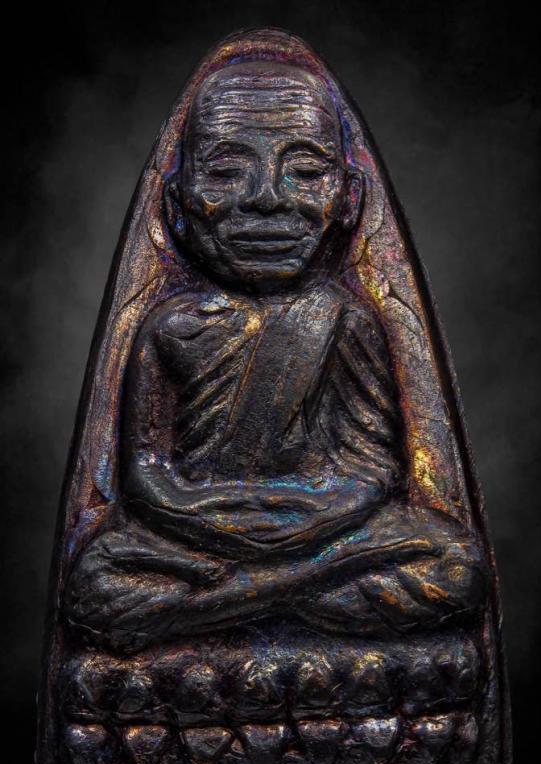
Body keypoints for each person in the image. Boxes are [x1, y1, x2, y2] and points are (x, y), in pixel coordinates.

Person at [64, 61, 486, 653]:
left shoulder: (347, 319)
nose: (266, 199)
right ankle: (279, 594)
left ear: (349, 197)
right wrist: (205, 512)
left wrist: (312, 518)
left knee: (455, 564)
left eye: (306, 172)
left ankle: (226, 604)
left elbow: (374, 471)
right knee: (94, 576)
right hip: (200, 532)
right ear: (178, 202)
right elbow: (147, 474)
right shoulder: (169, 327)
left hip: (320, 531)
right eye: (226, 172)